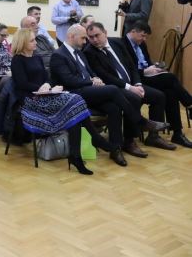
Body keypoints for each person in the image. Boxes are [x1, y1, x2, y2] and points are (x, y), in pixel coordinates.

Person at [49, 24, 167, 166]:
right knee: (113, 89)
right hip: (74, 94)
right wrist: (91, 81)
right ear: (71, 36)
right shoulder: (58, 55)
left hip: (88, 91)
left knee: (113, 108)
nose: (86, 42)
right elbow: (68, 80)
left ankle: (115, 149)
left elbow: (90, 71)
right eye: (83, 38)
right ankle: (140, 121)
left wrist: (95, 78)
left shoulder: (79, 52)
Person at [11, 29, 112, 175]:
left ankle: (76, 155)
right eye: (32, 40)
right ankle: (93, 139)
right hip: (31, 100)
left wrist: (48, 85)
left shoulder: (36, 57)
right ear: (23, 42)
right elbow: (22, 84)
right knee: (75, 102)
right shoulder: (17, 60)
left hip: (45, 95)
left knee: (75, 104)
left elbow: (46, 78)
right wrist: (41, 88)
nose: (36, 43)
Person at [84, 22, 174, 150]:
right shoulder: (89, 52)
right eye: (90, 37)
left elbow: (132, 65)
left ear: (105, 33)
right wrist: (130, 87)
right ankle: (129, 140)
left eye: (97, 35)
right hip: (115, 88)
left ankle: (154, 137)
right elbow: (105, 77)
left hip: (132, 84)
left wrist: (138, 83)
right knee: (134, 98)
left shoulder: (117, 42)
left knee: (159, 96)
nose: (94, 40)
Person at [122, 21, 192, 148]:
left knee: (171, 92)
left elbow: (147, 62)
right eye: (142, 36)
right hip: (135, 81)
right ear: (133, 31)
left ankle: (177, 134)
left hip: (147, 76)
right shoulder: (122, 44)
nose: (144, 39)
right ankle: (190, 104)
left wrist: (154, 68)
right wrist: (144, 71)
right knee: (171, 78)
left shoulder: (141, 44)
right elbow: (126, 69)